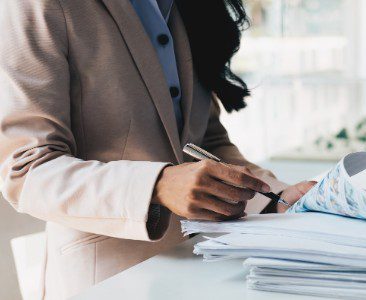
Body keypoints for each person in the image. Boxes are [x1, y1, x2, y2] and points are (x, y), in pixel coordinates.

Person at [0, 0, 315, 298]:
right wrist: (157, 185)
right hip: (107, 284)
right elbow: (26, 169)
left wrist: (272, 199)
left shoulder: (185, 7)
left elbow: (207, 144)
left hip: (209, 274)